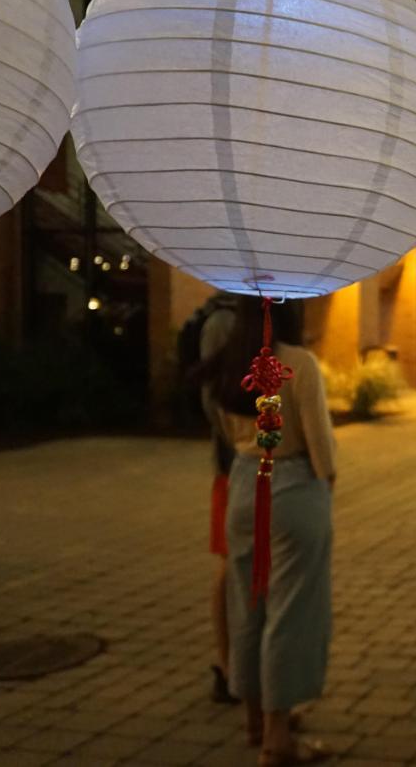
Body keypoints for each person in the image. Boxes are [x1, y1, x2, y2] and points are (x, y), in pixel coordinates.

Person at [200, 297, 336, 766]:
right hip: (293, 485)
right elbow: (321, 445)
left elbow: (220, 426)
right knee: (290, 612)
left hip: (241, 484)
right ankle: (278, 738)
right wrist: (327, 485)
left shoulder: (226, 363)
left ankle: (255, 719)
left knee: (248, 605)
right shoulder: (298, 363)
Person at [197, 295, 241, 705]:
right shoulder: (224, 320)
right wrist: (243, 446)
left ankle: (240, 666)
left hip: (256, 463)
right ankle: (226, 668)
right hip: (234, 467)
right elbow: (215, 400)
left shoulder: (255, 312)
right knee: (231, 565)